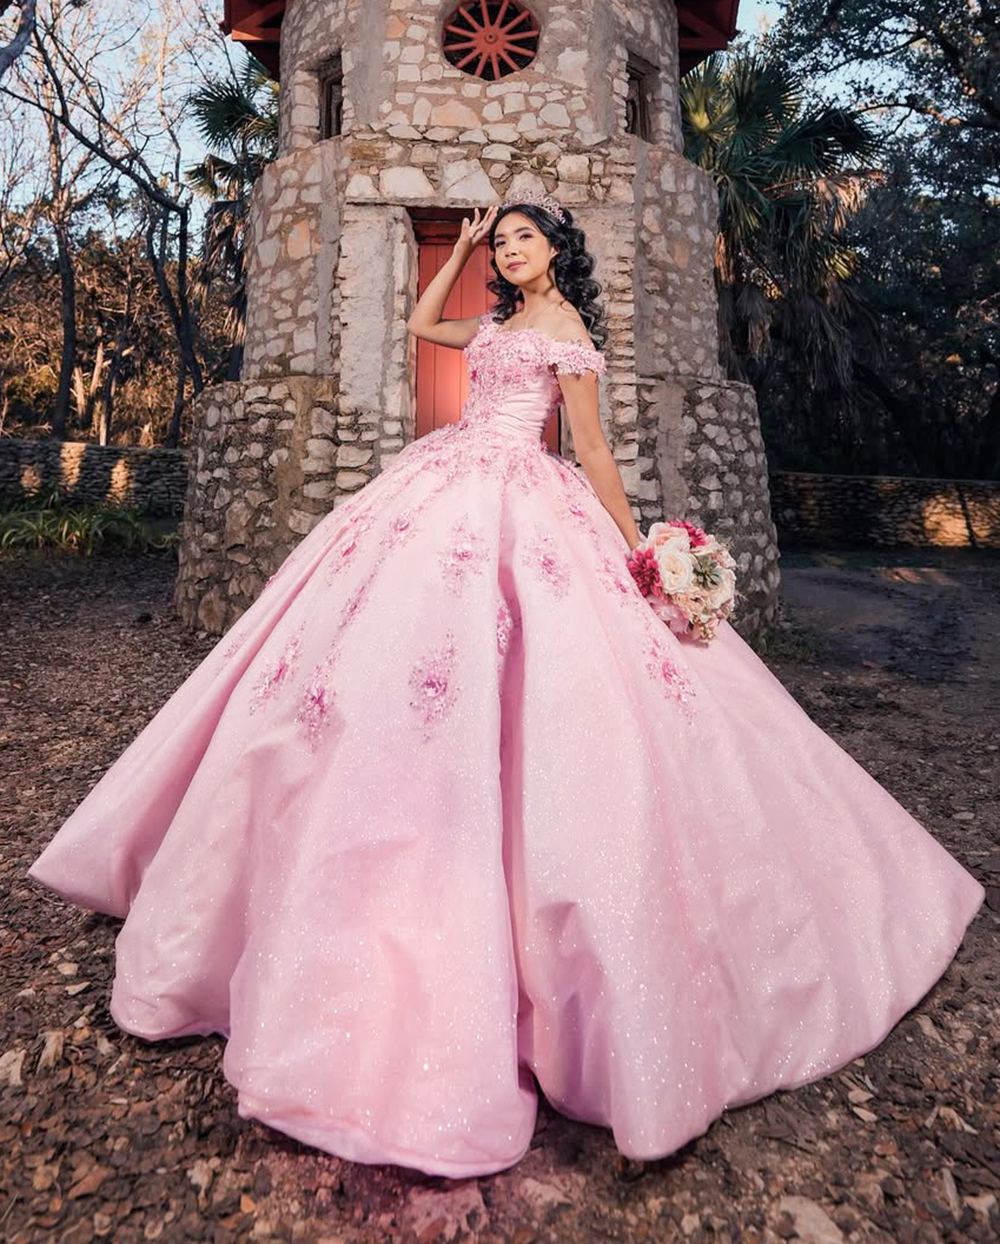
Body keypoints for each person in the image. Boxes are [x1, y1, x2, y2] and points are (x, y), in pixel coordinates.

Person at [27, 173, 984, 1181]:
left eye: (525, 237)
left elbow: (592, 448)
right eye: (505, 241)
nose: (511, 250)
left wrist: (637, 548)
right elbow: (423, 326)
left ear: (558, 250)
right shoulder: (495, 321)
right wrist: (456, 249)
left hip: (524, 494)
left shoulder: (567, 331)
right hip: (439, 479)